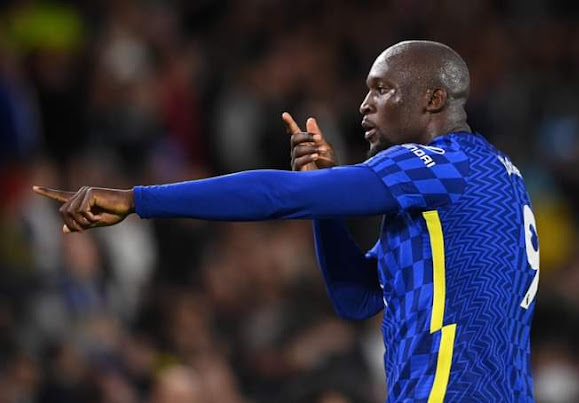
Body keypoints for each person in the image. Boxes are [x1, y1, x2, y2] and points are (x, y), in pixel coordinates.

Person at [34, 41, 538, 402]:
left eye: (382, 89)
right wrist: (324, 197)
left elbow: (277, 195)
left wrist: (138, 199)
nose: (364, 105)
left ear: (433, 99)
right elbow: (357, 298)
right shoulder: (496, 177)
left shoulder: (439, 165)